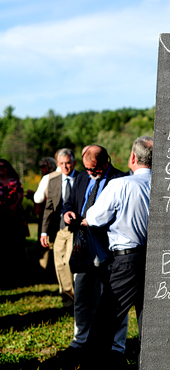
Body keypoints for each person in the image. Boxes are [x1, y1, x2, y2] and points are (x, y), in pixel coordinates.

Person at [84, 136, 152, 370]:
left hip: (127, 261)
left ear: (132, 158)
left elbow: (95, 217)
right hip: (158, 262)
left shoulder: (121, 184)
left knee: (105, 323)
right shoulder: (168, 185)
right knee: (149, 325)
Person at [61, 145, 127, 355]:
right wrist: (68, 212)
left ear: (106, 161)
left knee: (115, 298)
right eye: (88, 169)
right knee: (82, 295)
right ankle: (80, 340)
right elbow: (69, 201)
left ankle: (116, 346)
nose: (91, 173)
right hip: (82, 245)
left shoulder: (120, 179)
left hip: (109, 247)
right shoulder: (81, 178)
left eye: (95, 169)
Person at [40, 149, 79, 308]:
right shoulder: (53, 180)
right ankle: (67, 299)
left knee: (70, 261)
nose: (65, 167)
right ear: (57, 164)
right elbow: (48, 208)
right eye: (61, 164)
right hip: (58, 230)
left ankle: (77, 298)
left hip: (75, 229)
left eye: (68, 163)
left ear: (74, 163)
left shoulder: (81, 179)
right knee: (59, 264)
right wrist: (44, 231)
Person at [0, 159, 28, 288]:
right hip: (1, 218)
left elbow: (20, 195)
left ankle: (19, 275)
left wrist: (14, 206)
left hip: (15, 216)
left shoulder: (14, 181)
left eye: (3, 167)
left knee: (17, 246)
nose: (1, 169)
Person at [31, 156, 58, 275]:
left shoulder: (48, 178)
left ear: (50, 167)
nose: (41, 168)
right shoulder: (60, 177)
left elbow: (38, 198)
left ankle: (45, 271)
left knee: (45, 242)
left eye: (43, 166)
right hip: (56, 215)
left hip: (47, 214)